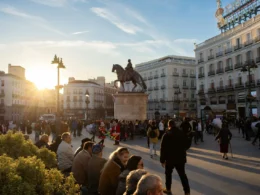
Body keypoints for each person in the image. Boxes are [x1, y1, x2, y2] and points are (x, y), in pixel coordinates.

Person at [160, 120, 190, 195]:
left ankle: (168, 189)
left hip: (169, 159)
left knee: (168, 174)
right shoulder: (182, 133)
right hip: (180, 158)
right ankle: (187, 192)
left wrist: (162, 160)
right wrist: (183, 149)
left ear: (169, 125)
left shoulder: (166, 135)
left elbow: (162, 148)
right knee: (182, 175)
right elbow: (187, 144)